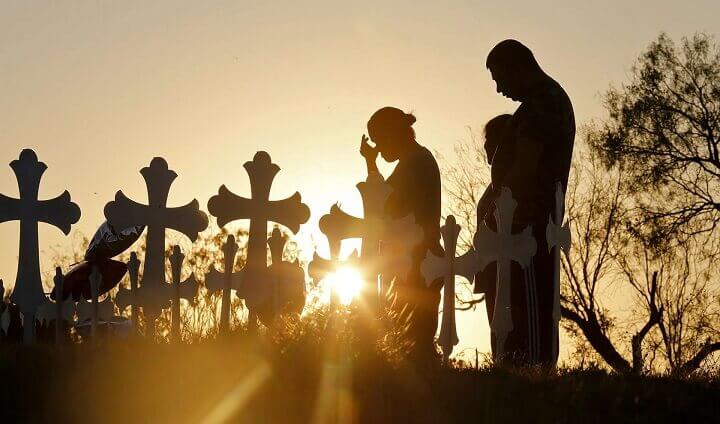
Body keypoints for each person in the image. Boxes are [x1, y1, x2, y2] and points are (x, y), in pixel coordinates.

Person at [479, 40, 575, 366]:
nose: (499, 89)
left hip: (529, 231)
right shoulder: (534, 103)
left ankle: (533, 385)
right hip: (516, 228)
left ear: (516, 67)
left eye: (499, 78)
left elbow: (528, 166)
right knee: (514, 324)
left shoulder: (546, 102)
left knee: (529, 330)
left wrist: (504, 204)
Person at [360, 106, 443, 366]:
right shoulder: (412, 161)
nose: (379, 148)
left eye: (380, 140)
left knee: (417, 342)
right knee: (408, 338)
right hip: (409, 260)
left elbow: (385, 203)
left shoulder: (416, 162)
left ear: (393, 133)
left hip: (418, 261)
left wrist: (372, 165)